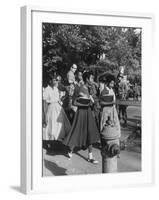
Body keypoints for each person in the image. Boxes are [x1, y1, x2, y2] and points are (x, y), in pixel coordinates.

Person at [63, 71, 100, 164]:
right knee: (77, 131)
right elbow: (74, 103)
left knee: (89, 132)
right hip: (80, 113)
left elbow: (91, 102)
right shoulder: (78, 88)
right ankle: (70, 149)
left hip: (88, 112)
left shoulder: (89, 88)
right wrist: (83, 103)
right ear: (87, 79)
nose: (92, 80)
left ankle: (90, 156)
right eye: (91, 78)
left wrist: (91, 101)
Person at [43, 75, 71, 149]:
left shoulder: (56, 88)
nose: (55, 82)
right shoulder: (46, 89)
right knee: (51, 125)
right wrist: (45, 114)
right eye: (54, 80)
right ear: (50, 81)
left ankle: (58, 140)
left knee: (60, 124)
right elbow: (45, 102)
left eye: (56, 80)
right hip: (51, 108)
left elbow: (59, 98)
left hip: (58, 107)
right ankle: (50, 142)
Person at [99, 74, 121, 139]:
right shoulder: (104, 91)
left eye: (113, 83)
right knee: (105, 125)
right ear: (108, 82)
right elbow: (101, 102)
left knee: (113, 124)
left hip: (112, 109)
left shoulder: (112, 90)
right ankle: (104, 140)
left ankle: (114, 138)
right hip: (106, 110)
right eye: (111, 83)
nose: (112, 85)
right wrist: (111, 102)